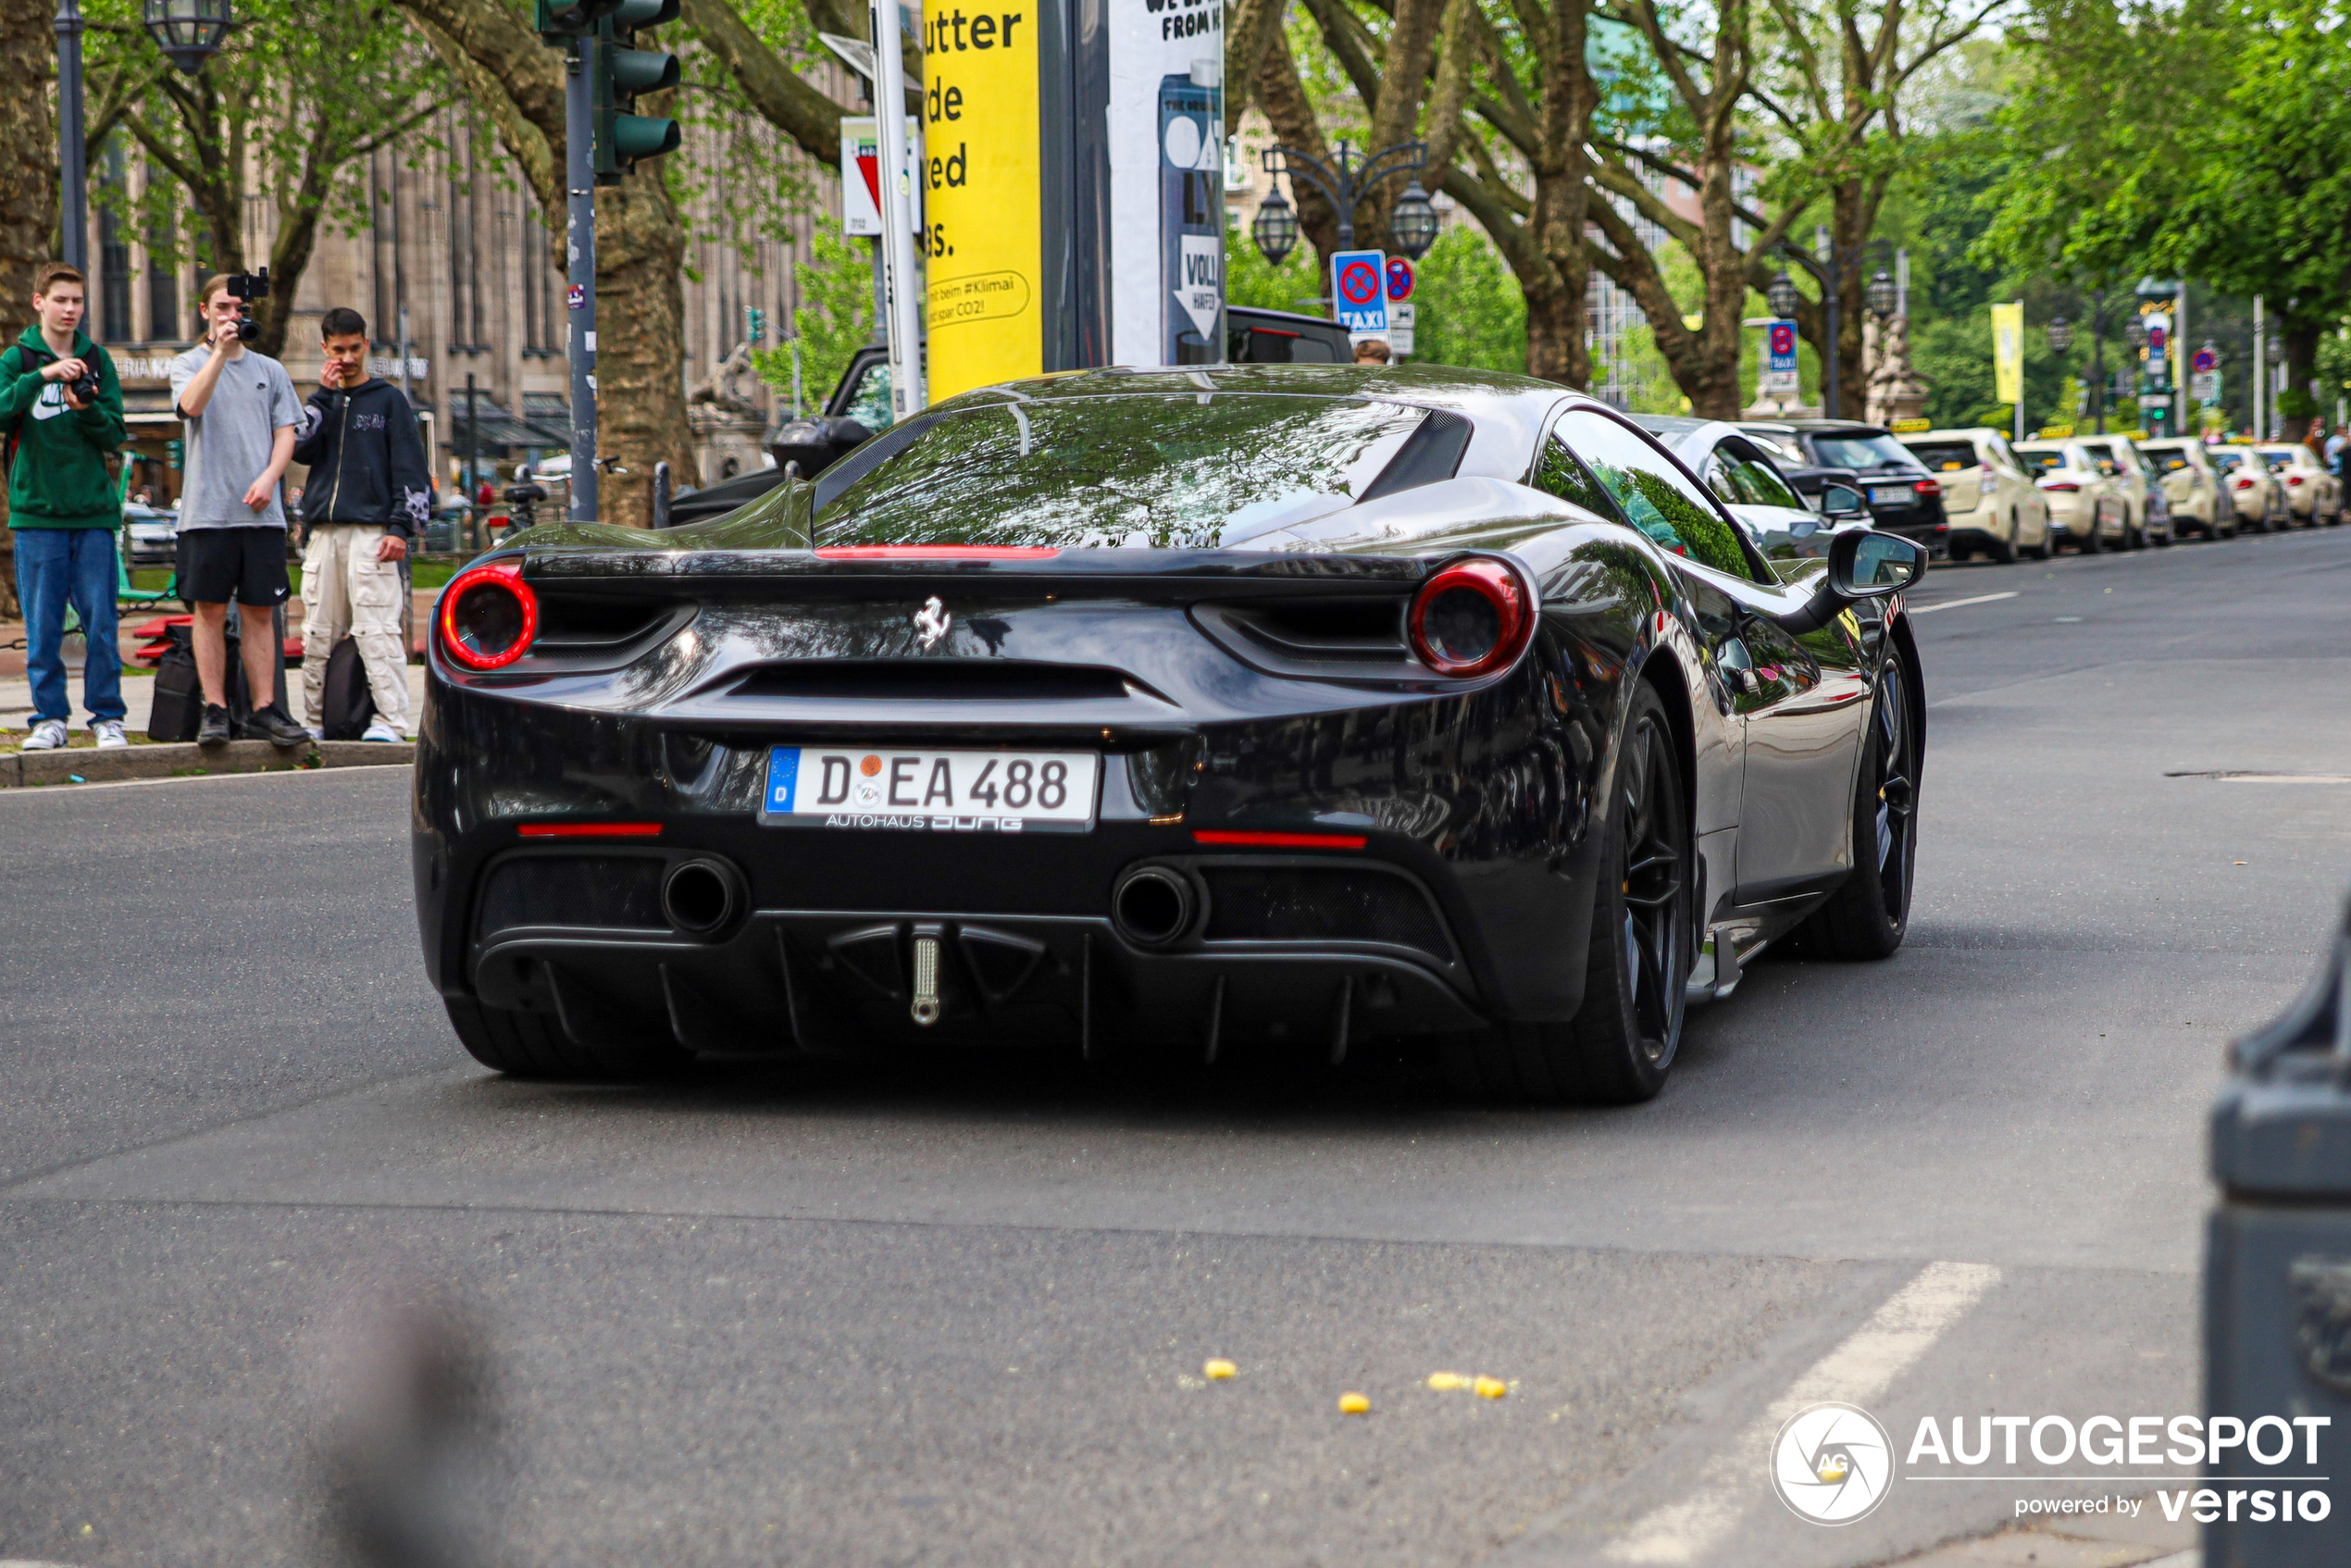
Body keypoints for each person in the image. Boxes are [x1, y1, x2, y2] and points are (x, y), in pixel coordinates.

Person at [170, 274, 310, 747]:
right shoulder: (187, 363)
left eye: (240, 310)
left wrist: (270, 478)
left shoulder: (269, 370)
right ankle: (215, 709)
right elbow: (190, 405)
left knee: (259, 611)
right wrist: (217, 353)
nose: (233, 316)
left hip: (261, 515)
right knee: (208, 611)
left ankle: (265, 709)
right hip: (207, 512)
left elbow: (287, 431)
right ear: (205, 310)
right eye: (224, 308)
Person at [0, 262, 130, 752]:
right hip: (37, 515)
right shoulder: (18, 358)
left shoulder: (99, 359)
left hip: (93, 515)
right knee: (44, 625)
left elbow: (116, 435)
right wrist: (44, 376)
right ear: (39, 302)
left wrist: (86, 407)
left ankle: (107, 718)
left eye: (77, 301)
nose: (71, 309)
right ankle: (49, 719)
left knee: (100, 622)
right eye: (61, 300)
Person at [291, 306, 428, 742]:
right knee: (316, 631)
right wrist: (323, 397)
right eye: (338, 350)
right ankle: (313, 721)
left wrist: (401, 527)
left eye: (354, 348)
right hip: (324, 533)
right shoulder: (323, 402)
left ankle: (390, 720)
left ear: (366, 345)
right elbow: (299, 447)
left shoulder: (389, 401)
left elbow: (412, 468)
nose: (347, 358)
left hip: (373, 532)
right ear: (324, 348)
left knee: (378, 629)